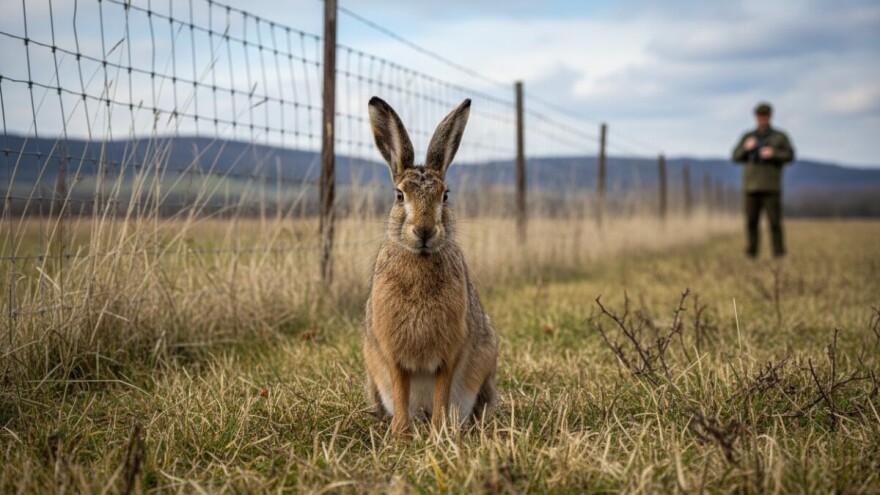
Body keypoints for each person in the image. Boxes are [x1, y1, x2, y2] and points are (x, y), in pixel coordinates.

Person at [731, 102, 795, 258]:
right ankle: (752, 252)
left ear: (769, 117)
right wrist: (746, 148)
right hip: (751, 187)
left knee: (775, 222)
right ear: (756, 118)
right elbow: (735, 156)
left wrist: (773, 153)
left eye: (765, 117)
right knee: (751, 222)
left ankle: (778, 253)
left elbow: (790, 155)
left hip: (771, 187)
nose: (762, 120)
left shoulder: (780, 137)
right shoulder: (748, 137)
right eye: (759, 117)